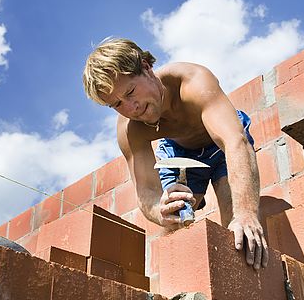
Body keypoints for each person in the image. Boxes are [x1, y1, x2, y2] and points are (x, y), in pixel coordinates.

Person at [82, 38, 268, 270]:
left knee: (239, 230)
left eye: (130, 92)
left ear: (147, 68)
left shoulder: (193, 82)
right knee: (175, 220)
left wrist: (247, 213)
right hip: (179, 154)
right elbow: (147, 192)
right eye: (117, 104)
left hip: (221, 146)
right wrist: (160, 211)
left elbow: (234, 142)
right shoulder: (129, 129)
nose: (131, 108)